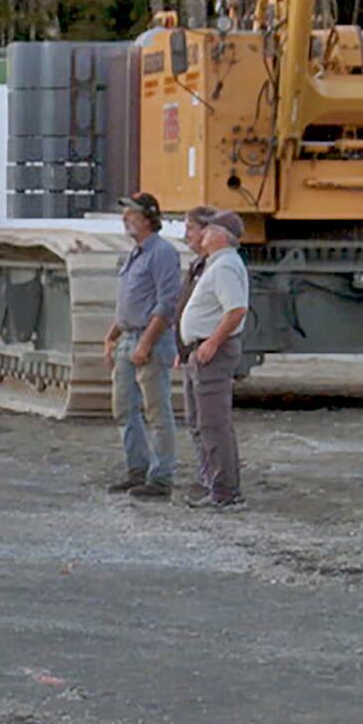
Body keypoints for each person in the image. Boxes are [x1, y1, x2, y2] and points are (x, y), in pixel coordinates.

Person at [101, 193, 184, 497]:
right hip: (128, 337)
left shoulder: (162, 253)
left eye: (132, 213)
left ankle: (161, 479)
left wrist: (145, 344)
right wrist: (112, 335)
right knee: (124, 408)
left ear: (149, 218)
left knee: (156, 411)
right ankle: (137, 470)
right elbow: (129, 302)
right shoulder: (135, 253)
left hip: (149, 340)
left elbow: (166, 303)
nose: (126, 218)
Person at [178, 211, 250, 510]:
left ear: (221, 235)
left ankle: (225, 492)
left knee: (213, 423)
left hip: (212, 352)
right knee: (200, 421)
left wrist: (212, 342)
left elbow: (236, 310)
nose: (202, 235)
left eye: (208, 231)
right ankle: (213, 483)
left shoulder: (224, 267)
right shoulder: (215, 265)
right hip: (200, 350)